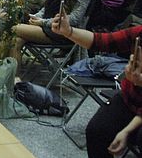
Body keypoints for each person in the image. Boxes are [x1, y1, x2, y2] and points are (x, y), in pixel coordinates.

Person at [51, 10, 142, 157]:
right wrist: (69, 31)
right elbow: (101, 41)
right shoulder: (139, 33)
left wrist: (126, 131)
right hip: (130, 99)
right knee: (97, 130)